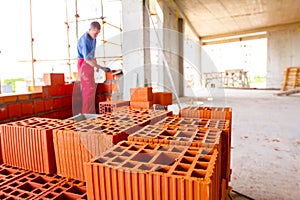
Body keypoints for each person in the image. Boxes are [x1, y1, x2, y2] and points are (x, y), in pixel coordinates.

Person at [77, 21, 110, 114]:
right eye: (95, 33)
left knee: (92, 89)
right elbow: (87, 59)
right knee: (88, 90)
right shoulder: (85, 40)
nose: (96, 35)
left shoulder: (93, 38)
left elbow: (91, 56)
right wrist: (101, 67)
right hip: (84, 64)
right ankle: (86, 114)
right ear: (90, 29)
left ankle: (90, 112)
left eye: (98, 33)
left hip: (90, 63)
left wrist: (95, 63)